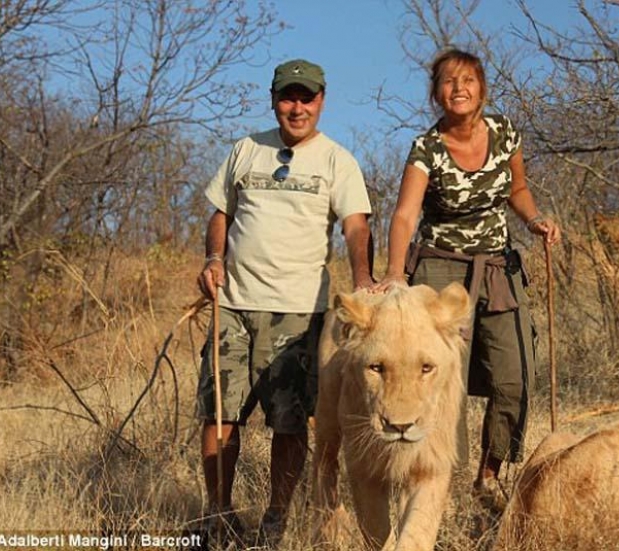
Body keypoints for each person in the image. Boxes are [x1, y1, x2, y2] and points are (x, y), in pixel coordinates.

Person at [196, 58, 374, 546]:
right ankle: (218, 513)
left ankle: (276, 518)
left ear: (322, 100)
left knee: (290, 423)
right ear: (274, 99)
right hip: (231, 304)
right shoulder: (245, 150)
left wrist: (362, 279)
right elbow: (221, 211)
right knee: (219, 414)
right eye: (288, 97)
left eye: (307, 97)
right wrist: (213, 258)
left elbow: (356, 225)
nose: (298, 107)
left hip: (299, 312)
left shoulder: (338, 160)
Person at [377, 48, 560, 512]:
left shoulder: (504, 132)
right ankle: (441, 485)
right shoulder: (426, 148)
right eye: (447, 81)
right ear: (436, 93)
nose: (458, 88)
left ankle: (489, 477)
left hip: (498, 267)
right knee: (442, 381)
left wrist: (534, 219)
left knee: (514, 376)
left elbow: (516, 189)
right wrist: (397, 276)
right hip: (439, 270)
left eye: (468, 80)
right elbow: (404, 214)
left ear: (482, 88)